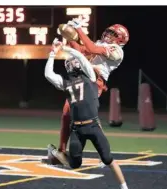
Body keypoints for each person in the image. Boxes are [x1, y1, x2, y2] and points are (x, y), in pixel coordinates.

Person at [44, 38, 137, 189]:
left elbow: (77, 56)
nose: (74, 64)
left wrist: (61, 50)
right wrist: (54, 53)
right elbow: (49, 75)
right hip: (77, 130)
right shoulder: (66, 83)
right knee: (75, 164)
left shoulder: (91, 76)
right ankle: (55, 153)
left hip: (93, 126)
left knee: (109, 159)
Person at [44, 16, 130, 162]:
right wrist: (69, 38)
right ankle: (62, 151)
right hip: (82, 78)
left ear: (121, 39)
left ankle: (104, 153)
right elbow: (82, 50)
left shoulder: (117, 51)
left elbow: (91, 48)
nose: (109, 35)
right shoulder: (99, 43)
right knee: (67, 113)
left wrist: (78, 29)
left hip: (95, 80)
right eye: (109, 32)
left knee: (89, 118)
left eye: (114, 34)